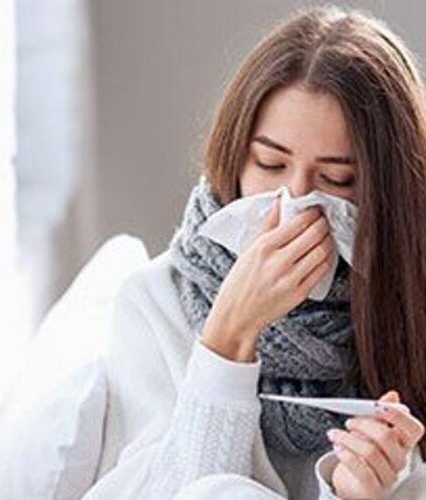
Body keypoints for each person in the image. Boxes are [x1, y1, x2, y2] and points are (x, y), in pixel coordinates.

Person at [83, 5, 426, 499]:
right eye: (270, 163)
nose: (296, 200)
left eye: (337, 180)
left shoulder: (408, 312)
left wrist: (357, 492)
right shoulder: (155, 302)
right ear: (236, 159)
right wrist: (227, 337)